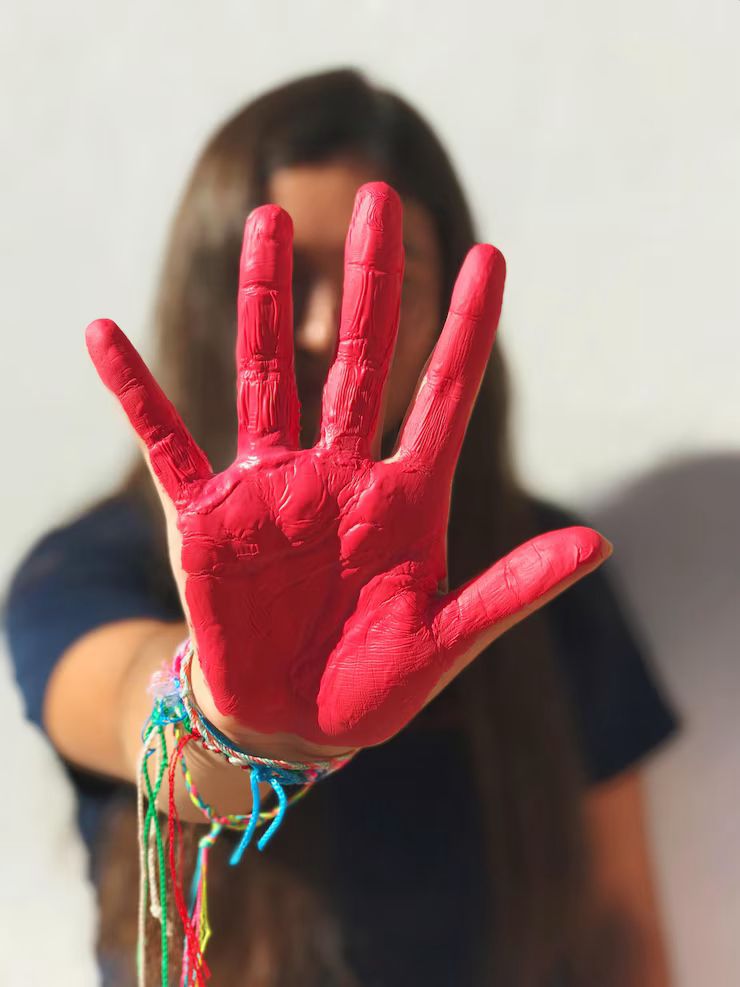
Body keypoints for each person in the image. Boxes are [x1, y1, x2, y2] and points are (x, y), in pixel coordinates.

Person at [3, 68, 677, 987]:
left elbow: (622, 932)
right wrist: (233, 721)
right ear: (213, 296)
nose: (324, 326)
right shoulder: (86, 570)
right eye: (292, 279)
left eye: (386, 279)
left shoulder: (534, 586)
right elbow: (133, 710)